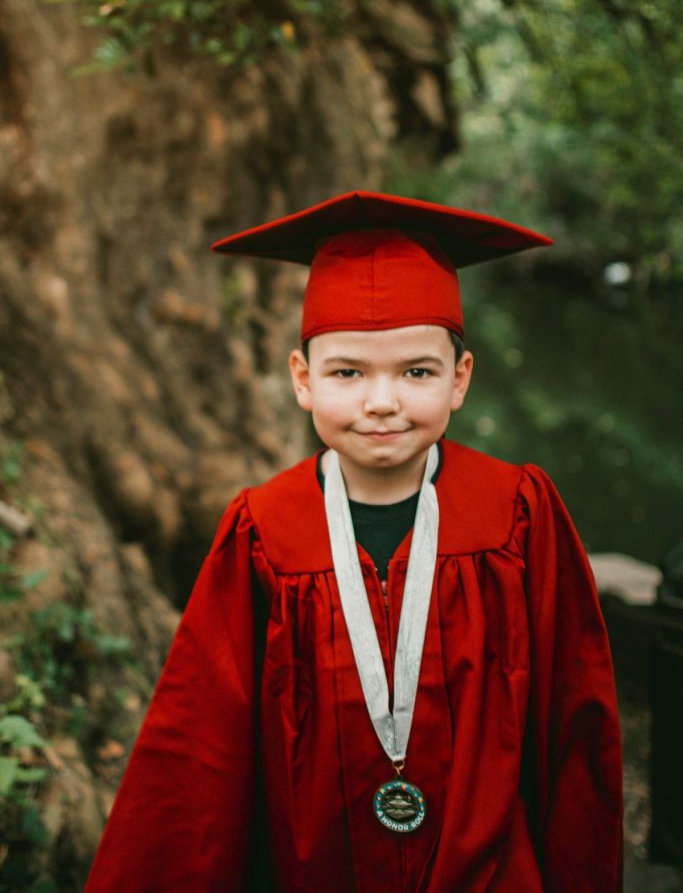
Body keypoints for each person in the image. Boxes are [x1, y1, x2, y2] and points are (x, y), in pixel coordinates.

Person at [85, 190, 623, 892]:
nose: (381, 401)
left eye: (416, 371)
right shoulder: (261, 531)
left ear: (459, 379)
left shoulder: (515, 515)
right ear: (302, 381)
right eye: (347, 372)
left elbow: (574, 722)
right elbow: (198, 747)